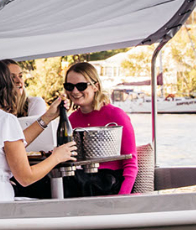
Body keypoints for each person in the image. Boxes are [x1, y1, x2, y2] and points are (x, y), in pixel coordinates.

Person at [0, 60, 77, 203]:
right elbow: (25, 178)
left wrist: (47, 117)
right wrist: (56, 157)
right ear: (5, 86)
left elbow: (11, 143)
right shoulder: (5, 120)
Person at [27, 62, 137, 197]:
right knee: (46, 180)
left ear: (95, 86)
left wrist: (122, 198)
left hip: (109, 182)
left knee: (60, 182)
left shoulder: (116, 115)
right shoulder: (71, 120)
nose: (74, 91)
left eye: (81, 86)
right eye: (69, 86)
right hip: (82, 180)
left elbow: (131, 163)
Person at [0, 60, 48, 127]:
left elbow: (36, 135)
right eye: (12, 77)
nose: (19, 81)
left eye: (20, 76)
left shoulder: (34, 103)